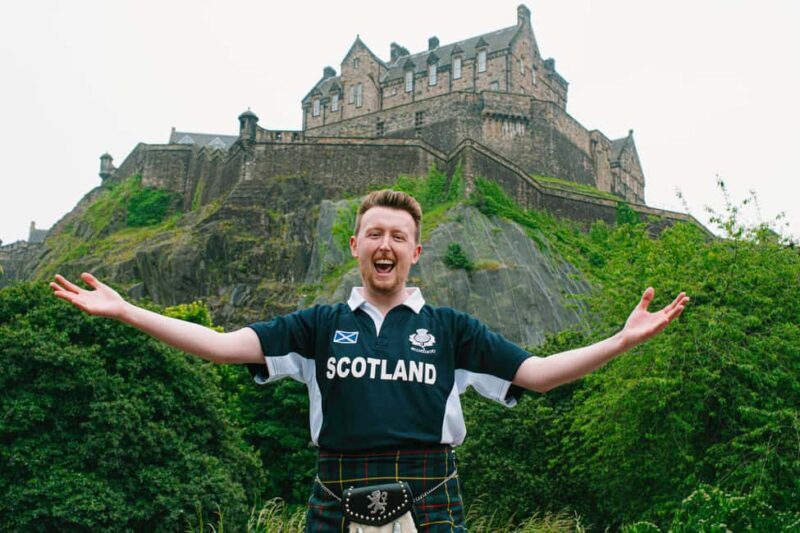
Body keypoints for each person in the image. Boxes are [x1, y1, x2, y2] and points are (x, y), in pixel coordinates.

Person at [51, 189, 689, 532]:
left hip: (431, 488)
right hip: (335, 486)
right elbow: (221, 346)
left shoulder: (452, 330)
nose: (386, 245)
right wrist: (129, 311)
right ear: (355, 245)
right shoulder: (318, 326)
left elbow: (540, 375)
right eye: (375, 234)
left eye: (399, 237)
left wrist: (622, 340)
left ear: (418, 251)